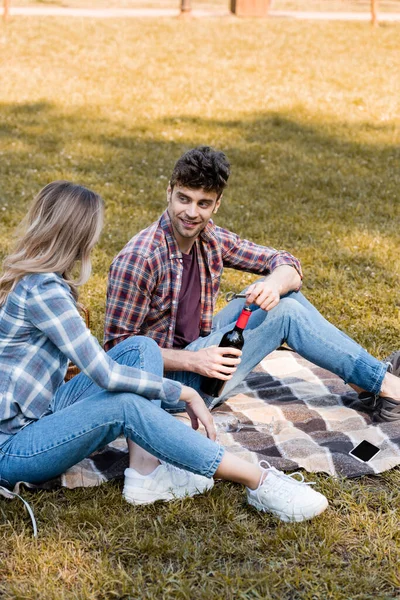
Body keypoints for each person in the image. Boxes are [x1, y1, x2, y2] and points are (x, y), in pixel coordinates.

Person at [0, 180, 328, 523]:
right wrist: (183, 390)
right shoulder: (44, 291)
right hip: (12, 448)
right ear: (79, 236)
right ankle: (258, 481)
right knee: (124, 405)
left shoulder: (40, 280)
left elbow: (97, 358)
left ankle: (145, 475)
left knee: (140, 348)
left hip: (44, 411)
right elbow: (105, 374)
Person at [105, 145, 400, 428]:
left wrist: (273, 283)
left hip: (203, 352)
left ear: (216, 204)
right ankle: (386, 386)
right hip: (175, 385)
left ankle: (369, 385)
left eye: (203, 203)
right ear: (169, 193)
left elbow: (286, 264)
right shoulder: (140, 259)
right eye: (184, 199)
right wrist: (196, 361)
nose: (192, 213)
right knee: (284, 314)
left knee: (279, 290)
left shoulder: (209, 238)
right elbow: (118, 353)